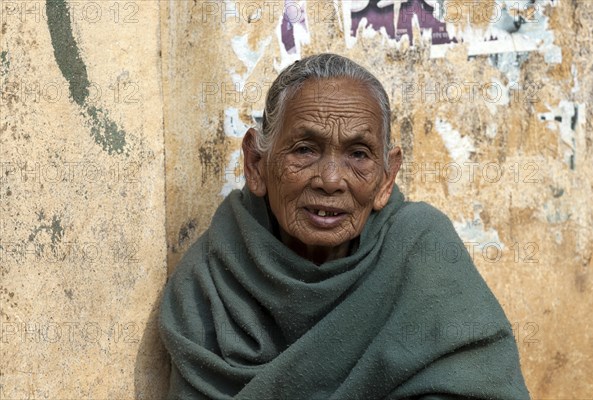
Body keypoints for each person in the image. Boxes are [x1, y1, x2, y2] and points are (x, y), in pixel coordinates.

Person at [159, 53, 530, 399]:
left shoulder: (420, 251)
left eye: (358, 155)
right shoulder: (209, 281)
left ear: (387, 178)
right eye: (305, 149)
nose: (332, 179)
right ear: (256, 164)